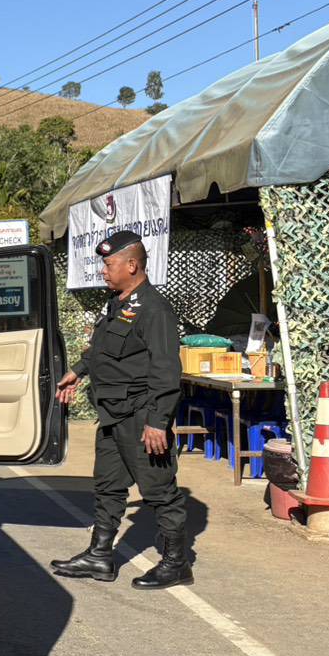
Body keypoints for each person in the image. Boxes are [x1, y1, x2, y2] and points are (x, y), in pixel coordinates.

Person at [51, 231, 191, 590]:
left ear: (131, 265)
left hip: (141, 416)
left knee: (158, 490)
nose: (103, 271)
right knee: (108, 486)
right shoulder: (118, 304)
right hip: (113, 414)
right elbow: (102, 349)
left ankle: (176, 563)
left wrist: (157, 421)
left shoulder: (155, 310)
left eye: (109, 264)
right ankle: (100, 556)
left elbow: (166, 370)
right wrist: (77, 371)